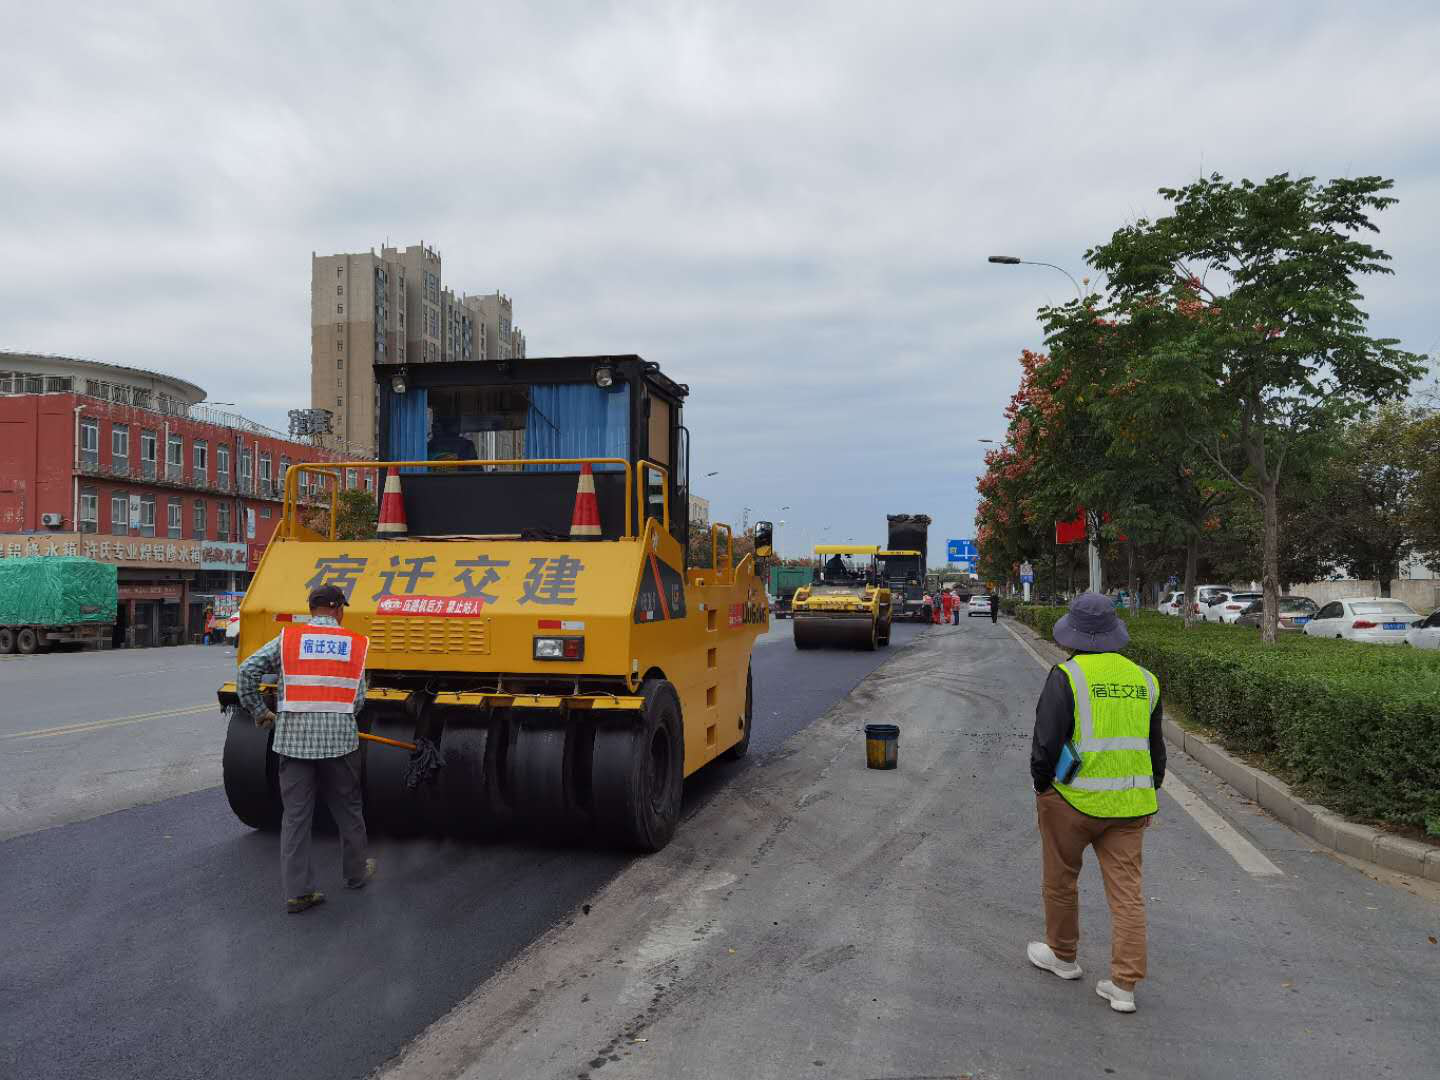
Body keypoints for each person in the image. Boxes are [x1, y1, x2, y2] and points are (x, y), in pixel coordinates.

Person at [1027, 592, 1165, 1013]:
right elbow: (1155, 750)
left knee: (1061, 879)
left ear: (1072, 634)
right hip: (1130, 806)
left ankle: (1064, 957)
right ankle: (1124, 986)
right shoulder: (1146, 679)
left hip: (1071, 799)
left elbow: (1046, 742)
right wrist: (1150, 790)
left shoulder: (1066, 676)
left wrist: (1042, 786)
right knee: (1127, 895)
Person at [237, 584, 375, 913]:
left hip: (293, 743)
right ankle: (356, 873)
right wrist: (337, 717)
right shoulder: (356, 644)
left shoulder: (287, 640)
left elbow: (246, 673)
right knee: (349, 810)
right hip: (340, 744)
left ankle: (299, 892)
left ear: (311, 608)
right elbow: (358, 700)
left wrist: (261, 712)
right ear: (339, 609)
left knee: (296, 817)